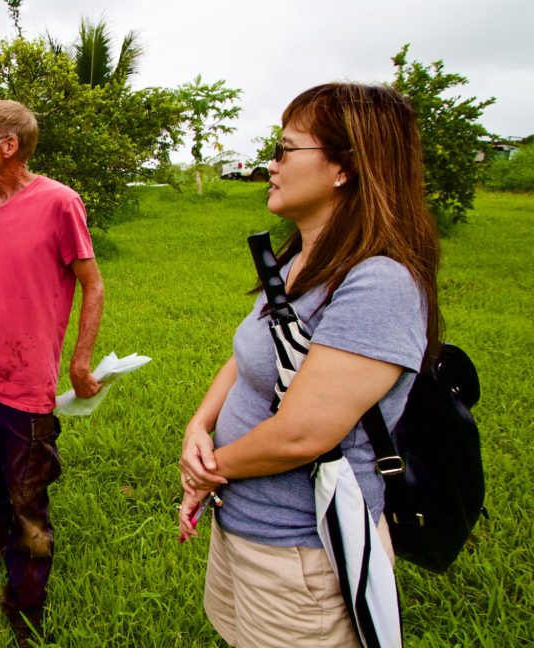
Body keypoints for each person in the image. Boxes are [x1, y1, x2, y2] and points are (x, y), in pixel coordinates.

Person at [178, 83, 440, 646]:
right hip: (243, 525)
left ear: (345, 167)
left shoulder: (379, 283)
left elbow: (302, 435)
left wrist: (206, 470)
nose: (270, 164)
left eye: (285, 149)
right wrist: (199, 425)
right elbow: (249, 354)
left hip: (303, 554)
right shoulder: (303, 258)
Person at [0, 99, 105, 645]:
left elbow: (93, 285)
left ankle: (25, 605)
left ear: (8, 146)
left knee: (27, 502)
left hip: (28, 385)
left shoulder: (59, 202)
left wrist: (79, 361)